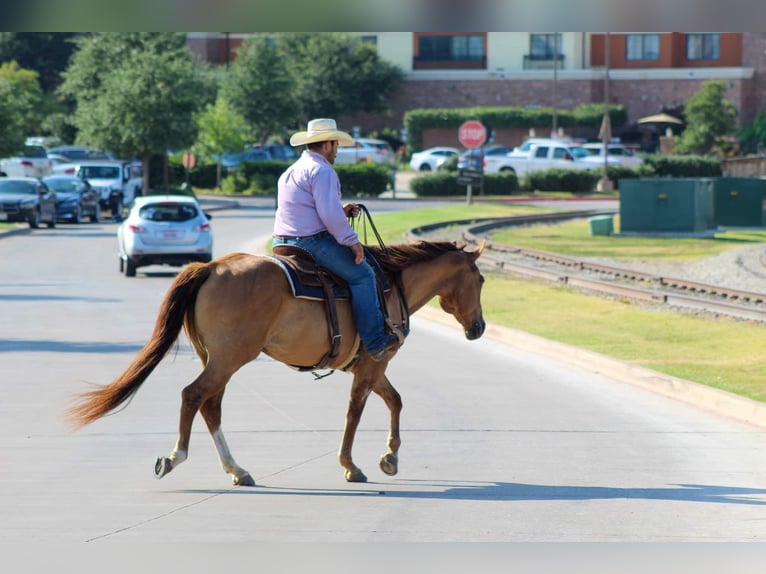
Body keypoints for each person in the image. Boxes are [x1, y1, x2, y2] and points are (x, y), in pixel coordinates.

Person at [272, 118, 400, 361]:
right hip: (310, 243)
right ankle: (374, 341)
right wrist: (352, 241)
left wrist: (342, 211)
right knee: (363, 275)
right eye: (337, 146)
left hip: (282, 242)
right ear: (328, 144)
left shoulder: (291, 171)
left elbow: (308, 209)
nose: (337, 152)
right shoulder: (322, 171)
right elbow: (327, 214)